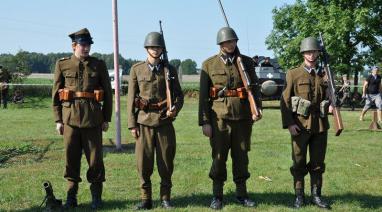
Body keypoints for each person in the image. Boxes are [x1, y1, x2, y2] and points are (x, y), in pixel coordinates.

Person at [198, 27, 262, 210]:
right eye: (227, 42)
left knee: (241, 157)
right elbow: (203, 96)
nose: (230, 44)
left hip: (243, 118)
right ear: (220, 44)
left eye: (233, 41)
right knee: (219, 157)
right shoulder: (209, 64)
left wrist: (257, 109)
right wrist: (205, 122)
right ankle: (217, 196)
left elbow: (255, 88)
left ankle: (242, 194)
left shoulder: (247, 62)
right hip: (219, 119)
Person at [52, 28, 112, 210]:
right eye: (83, 45)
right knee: (71, 160)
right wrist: (58, 120)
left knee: (95, 161)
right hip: (70, 120)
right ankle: (71, 197)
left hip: (93, 120)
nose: (86, 48)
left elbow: (108, 94)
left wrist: (106, 118)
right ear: (74, 46)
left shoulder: (98, 65)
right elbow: (56, 94)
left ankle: (96, 197)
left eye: (88, 45)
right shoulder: (62, 65)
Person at [127, 31, 184, 210]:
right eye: (152, 47)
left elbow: (179, 96)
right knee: (143, 162)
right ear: (147, 48)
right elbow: (131, 99)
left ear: (162, 49)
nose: (155, 50)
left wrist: (175, 108)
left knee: (166, 161)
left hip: (164, 122)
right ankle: (146, 199)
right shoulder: (137, 69)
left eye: (158, 47)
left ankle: (165, 198)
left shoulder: (170, 70)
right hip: (143, 122)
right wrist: (132, 124)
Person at [280, 37, 332, 209]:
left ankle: (316, 195)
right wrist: (289, 123)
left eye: (314, 51)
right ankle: (299, 195)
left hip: (320, 125)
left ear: (318, 53)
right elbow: (285, 101)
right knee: (299, 162)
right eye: (308, 52)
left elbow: (329, 97)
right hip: (300, 125)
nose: (311, 54)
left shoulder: (325, 74)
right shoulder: (293, 74)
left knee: (318, 163)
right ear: (303, 53)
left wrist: (332, 105)